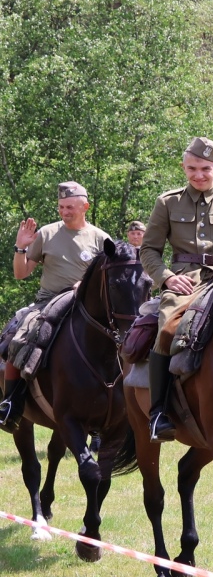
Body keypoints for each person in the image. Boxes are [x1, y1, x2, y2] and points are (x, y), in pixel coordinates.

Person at [140, 137, 213, 442]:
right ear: (184, 167)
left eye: (206, 169)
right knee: (167, 330)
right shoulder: (167, 202)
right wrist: (167, 278)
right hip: (183, 281)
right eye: (192, 168)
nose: (199, 174)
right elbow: (149, 250)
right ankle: (158, 412)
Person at [0, 181, 112, 432]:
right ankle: (11, 402)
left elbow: (108, 276)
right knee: (20, 336)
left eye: (70, 206)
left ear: (85, 206)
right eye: (61, 207)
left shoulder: (100, 238)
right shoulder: (47, 234)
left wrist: (82, 285)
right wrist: (21, 247)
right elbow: (21, 273)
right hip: (48, 302)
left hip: (86, 306)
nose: (64, 211)